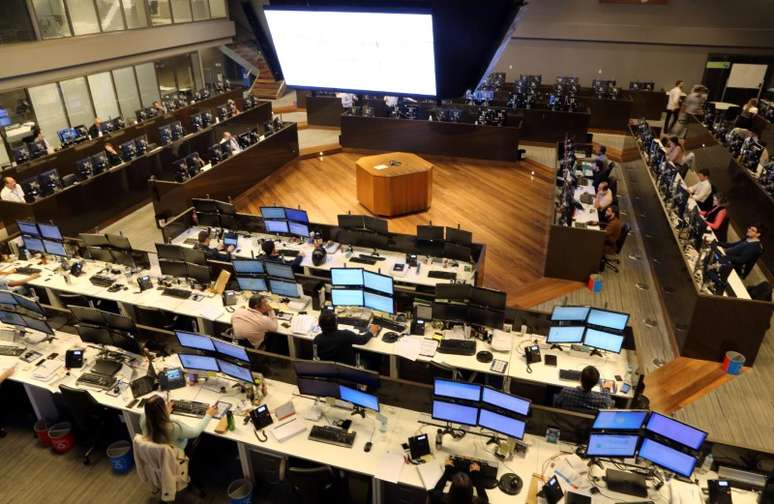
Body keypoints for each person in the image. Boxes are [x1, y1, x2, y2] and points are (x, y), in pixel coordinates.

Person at [140, 394, 216, 451]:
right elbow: (195, 432)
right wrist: (209, 415)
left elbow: (155, 417)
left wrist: (165, 413)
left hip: (155, 453)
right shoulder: (173, 427)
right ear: (163, 409)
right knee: (202, 436)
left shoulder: (143, 418)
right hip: (176, 454)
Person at [313, 310, 378, 365]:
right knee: (372, 358)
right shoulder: (346, 335)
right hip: (349, 369)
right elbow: (363, 340)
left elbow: (316, 358)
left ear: (319, 325)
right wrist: (371, 332)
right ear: (336, 323)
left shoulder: (317, 339)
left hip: (330, 371)